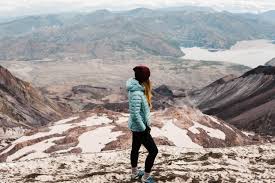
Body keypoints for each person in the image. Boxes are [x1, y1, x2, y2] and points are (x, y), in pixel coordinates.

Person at [126, 65, 158, 183]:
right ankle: (146, 177)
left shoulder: (136, 89)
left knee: (135, 149)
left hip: (136, 127)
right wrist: (143, 128)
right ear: (144, 78)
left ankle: (134, 173)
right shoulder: (137, 93)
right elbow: (135, 114)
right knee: (154, 151)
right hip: (140, 128)